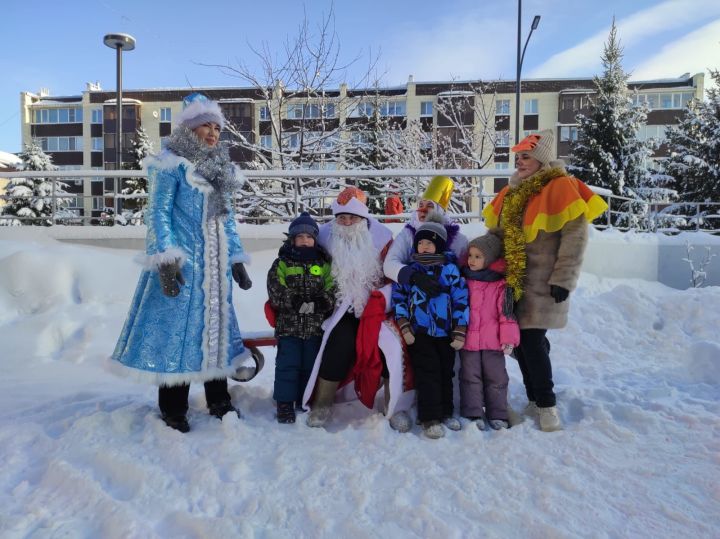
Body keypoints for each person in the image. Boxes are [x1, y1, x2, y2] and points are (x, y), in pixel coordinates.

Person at [111, 93, 253, 433]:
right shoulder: (170, 164)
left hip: (216, 270)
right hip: (184, 265)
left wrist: (236, 257)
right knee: (179, 334)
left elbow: (227, 220)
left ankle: (219, 398)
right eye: (207, 125)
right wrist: (166, 258)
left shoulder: (220, 171)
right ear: (190, 128)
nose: (213, 133)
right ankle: (173, 407)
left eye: (218, 128)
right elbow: (158, 213)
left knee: (215, 331)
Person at [482, 129, 607, 432]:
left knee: (532, 340)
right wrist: (478, 258)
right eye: (518, 157)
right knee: (523, 344)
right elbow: (495, 236)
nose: (520, 162)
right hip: (513, 279)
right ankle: (535, 398)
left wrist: (563, 278)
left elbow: (575, 237)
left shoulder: (562, 186)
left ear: (541, 159)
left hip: (544, 281)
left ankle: (547, 405)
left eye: (526, 156)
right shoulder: (510, 193)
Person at [302, 187, 414, 432]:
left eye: (353, 217)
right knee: (339, 342)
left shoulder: (383, 238)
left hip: (379, 307)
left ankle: (395, 406)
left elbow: (392, 275)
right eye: (342, 217)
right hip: (339, 307)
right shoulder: (323, 236)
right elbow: (312, 270)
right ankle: (322, 402)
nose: (347, 222)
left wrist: (381, 300)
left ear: (364, 218)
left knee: (392, 345)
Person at [391, 215, 469, 439]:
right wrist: (405, 327)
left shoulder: (450, 270)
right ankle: (429, 417)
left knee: (446, 371)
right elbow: (400, 300)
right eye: (420, 243)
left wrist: (460, 328)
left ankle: (446, 412)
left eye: (429, 243)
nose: (424, 247)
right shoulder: (411, 271)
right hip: (420, 333)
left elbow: (461, 300)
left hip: (445, 332)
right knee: (428, 372)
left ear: (440, 245)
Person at [266, 212, 334, 424]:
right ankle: (284, 403)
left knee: (309, 365)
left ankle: (303, 398)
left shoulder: (323, 264)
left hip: (314, 327)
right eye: (300, 236)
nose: (305, 240)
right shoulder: (283, 262)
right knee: (288, 365)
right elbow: (275, 288)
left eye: (309, 236)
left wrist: (322, 302)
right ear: (292, 239)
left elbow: (332, 287)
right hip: (289, 327)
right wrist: (294, 301)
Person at [459, 231, 520, 431]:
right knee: (470, 378)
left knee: (496, 378)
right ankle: (473, 412)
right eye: (470, 255)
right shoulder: (463, 281)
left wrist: (509, 339)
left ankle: (498, 413)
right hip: (468, 342)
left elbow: (507, 314)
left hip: (493, 342)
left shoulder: (502, 286)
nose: (472, 260)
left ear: (490, 259)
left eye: (478, 256)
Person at [383, 175, 468, 295]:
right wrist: (414, 277)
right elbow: (389, 264)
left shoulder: (458, 240)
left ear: (439, 211)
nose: (423, 210)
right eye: (421, 205)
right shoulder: (408, 234)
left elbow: (464, 271)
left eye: (430, 206)